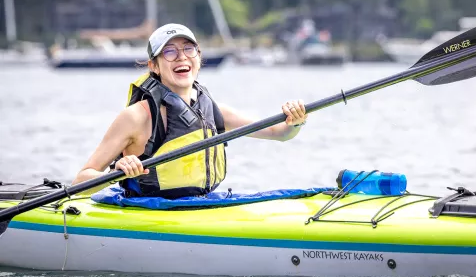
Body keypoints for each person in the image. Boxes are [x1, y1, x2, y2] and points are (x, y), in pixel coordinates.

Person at [72, 23, 308, 199]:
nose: (181, 57)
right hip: (146, 211)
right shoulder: (136, 117)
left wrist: (295, 120)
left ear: (198, 58)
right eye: (170, 52)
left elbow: (281, 133)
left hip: (200, 206)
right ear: (154, 66)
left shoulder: (214, 112)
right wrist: (118, 171)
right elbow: (80, 180)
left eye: (188, 49)